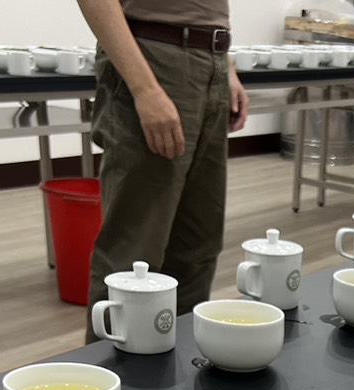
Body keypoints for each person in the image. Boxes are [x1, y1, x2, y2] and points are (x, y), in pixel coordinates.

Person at [78, 0, 250, 338]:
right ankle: (111, 368)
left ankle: (178, 359)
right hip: (155, 57)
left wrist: (225, 65)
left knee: (197, 245)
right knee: (135, 248)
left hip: (211, 60)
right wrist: (144, 89)